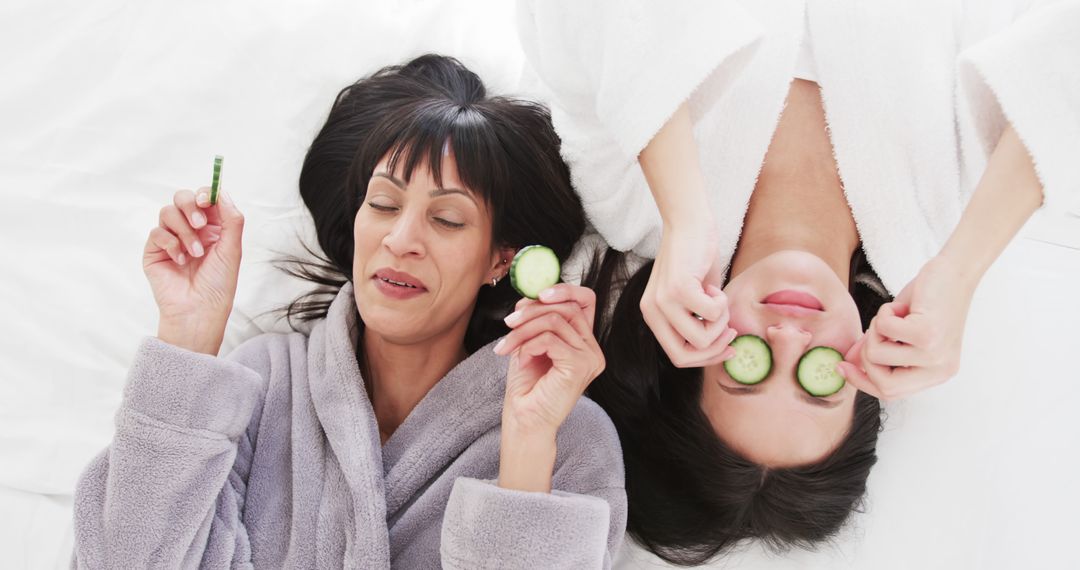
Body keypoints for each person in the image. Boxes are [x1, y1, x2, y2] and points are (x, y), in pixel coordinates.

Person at [517, 0, 1079, 565]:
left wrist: (684, 212)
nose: (788, 336)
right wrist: (961, 267)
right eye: (821, 381)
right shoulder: (946, 220)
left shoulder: (640, 205)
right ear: (867, 372)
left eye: (748, 365)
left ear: (686, 352)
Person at [70, 54, 626, 568]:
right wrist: (187, 337)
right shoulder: (261, 384)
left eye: (447, 219)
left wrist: (527, 445)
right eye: (383, 204)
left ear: (500, 259)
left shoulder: (568, 439)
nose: (401, 239)